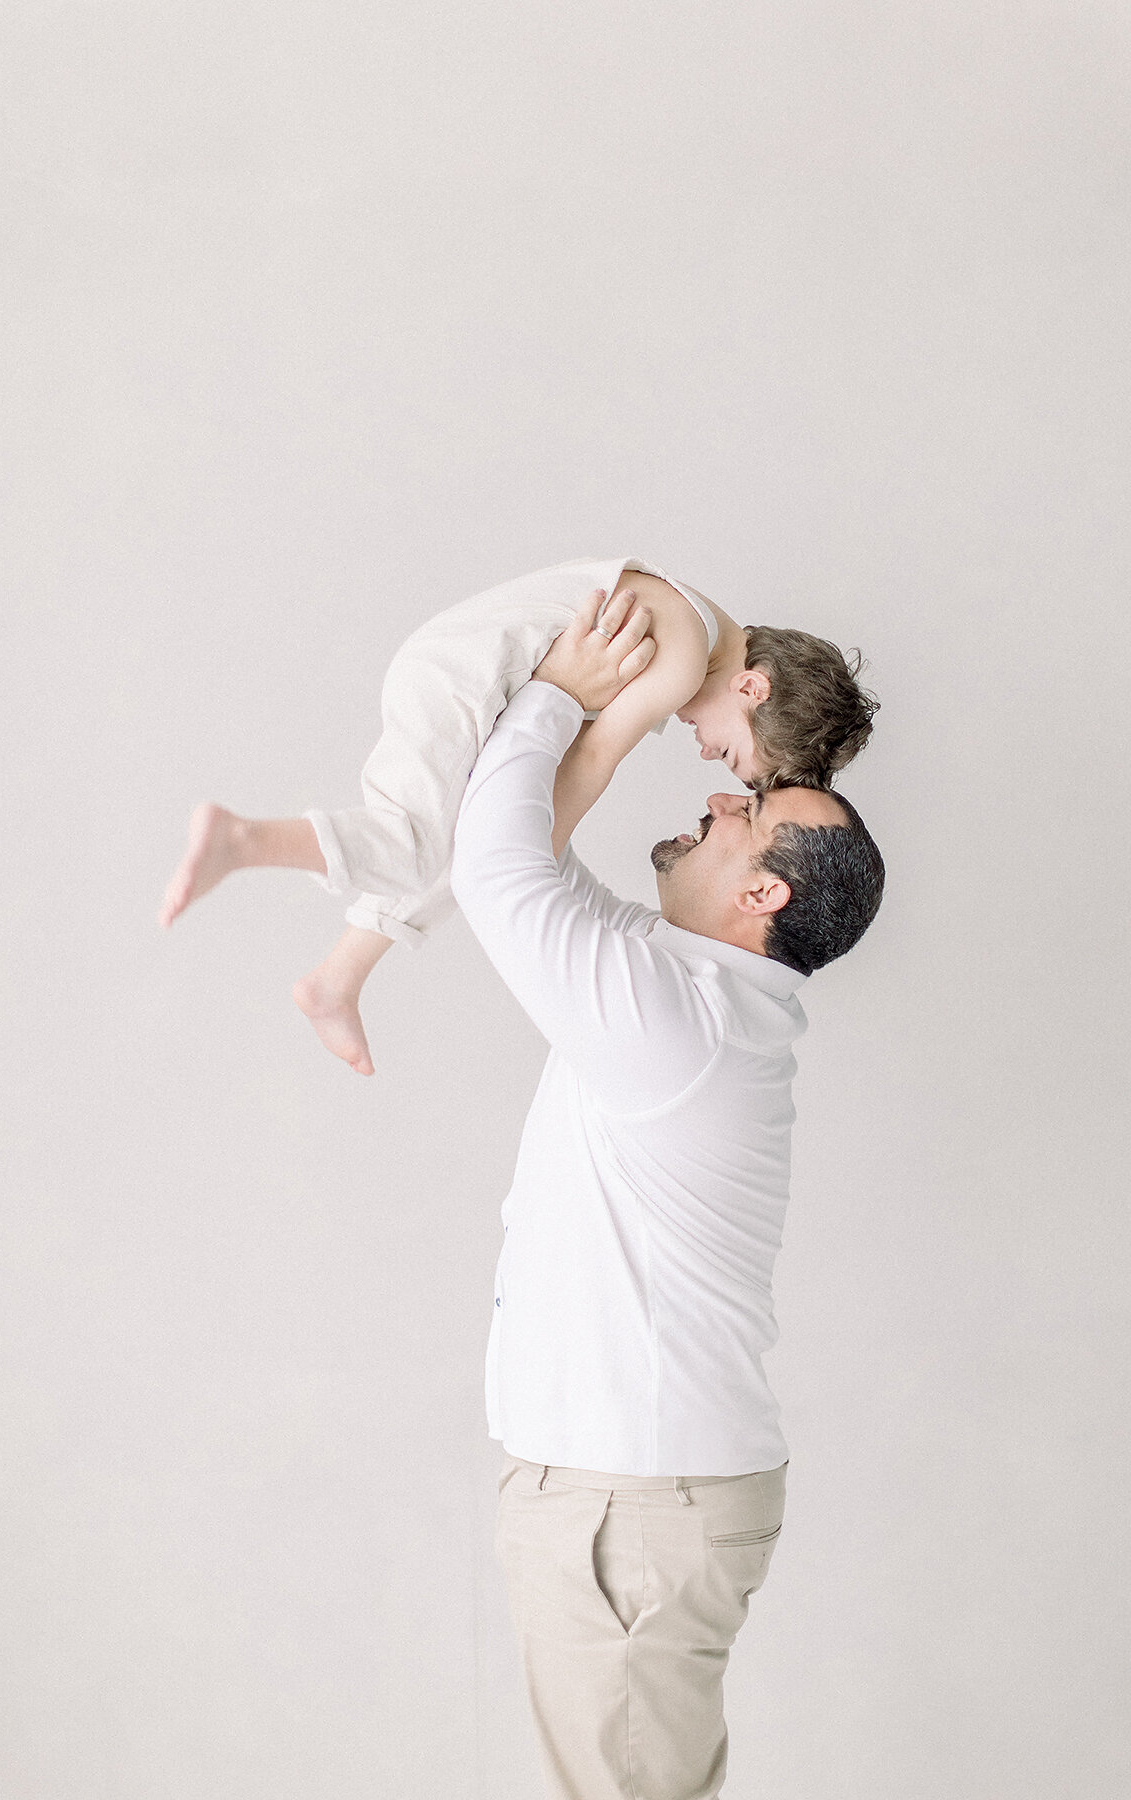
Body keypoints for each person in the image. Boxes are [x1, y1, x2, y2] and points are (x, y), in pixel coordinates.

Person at [448, 598, 885, 1800]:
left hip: (628, 1505)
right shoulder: (681, 989)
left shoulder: (674, 1020)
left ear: (766, 900)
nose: (724, 800)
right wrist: (612, 705)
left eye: (752, 816)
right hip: (633, 1497)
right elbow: (521, 854)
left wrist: (566, 693)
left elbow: (491, 870)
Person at [158, 557, 877, 1074]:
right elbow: (592, 761)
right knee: (418, 849)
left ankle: (335, 980)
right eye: (732, 757)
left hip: (471, 680)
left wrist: (513, 843)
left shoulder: (699, 624)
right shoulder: (685, 658)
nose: (707, 758)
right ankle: (243, 840)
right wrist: (526, 849)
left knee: (441, 848)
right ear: (752, 686)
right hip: (461, 683)